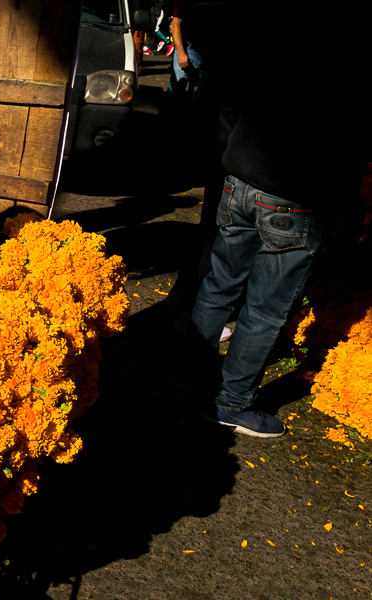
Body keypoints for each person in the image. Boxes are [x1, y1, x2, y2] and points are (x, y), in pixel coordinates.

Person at [186, 3, 369, 437]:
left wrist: (231, 152)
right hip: (295, 196)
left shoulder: (274, 25)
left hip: (242, 178)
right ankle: (231, 403)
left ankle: (187, 375)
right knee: (265, 309)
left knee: (219, 283)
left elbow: (229, 90)